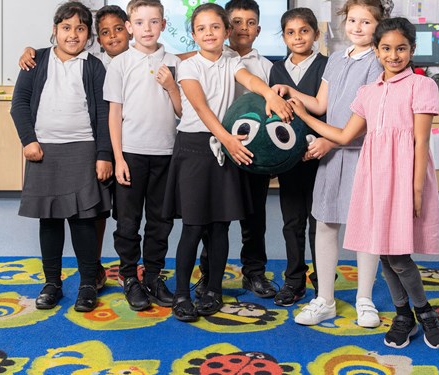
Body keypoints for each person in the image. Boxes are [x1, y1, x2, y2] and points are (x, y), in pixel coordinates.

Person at [289, 17, 439, 350]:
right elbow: (345, 135)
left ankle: (424, 312)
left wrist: (416, 189)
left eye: (401, 48)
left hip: (404, 178)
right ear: (376, 51)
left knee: (399, 256)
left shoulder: (422, 86)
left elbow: (420, 143)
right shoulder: (368, 92)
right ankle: (403, 314)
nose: (394, 55)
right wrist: (305, 117)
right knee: (384, 252)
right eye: (387, 49)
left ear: (412, 50)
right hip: (373, 178)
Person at [164, 2, 293, 322]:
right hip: (196, 149)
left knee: (220, 226)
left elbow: (251, 81)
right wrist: (227, 139)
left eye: (215, 27)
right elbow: (201, 107)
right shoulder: (190, 66)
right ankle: (182, 293)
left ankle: (213, 289)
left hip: (224, 148)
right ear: (193, 34)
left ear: (226, 32)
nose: (209, 33)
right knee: (194, 227)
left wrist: (271, 95)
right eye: (201, 28)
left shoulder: (232, 60)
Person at [273, 0, 386, 327]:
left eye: (366, 22)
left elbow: (363, 118)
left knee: (364, 228)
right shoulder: (336, 59)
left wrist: (329, 139)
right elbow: (322, 103)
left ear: (378, 26)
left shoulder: (376, 63)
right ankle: (325, 299)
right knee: (324, 224)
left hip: (358, 152)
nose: (358, 27)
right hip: (331, 152)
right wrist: (288, 90)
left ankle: (364, 299)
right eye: (353, 20)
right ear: (344, 22)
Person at [18, 5, 132, 290]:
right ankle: (52, 283)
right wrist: (28, 140)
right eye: (66, 28)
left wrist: (103, 154)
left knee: (84, 220)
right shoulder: (36, 61)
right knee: (50, 219)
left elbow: (104, 113)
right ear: (55, 30)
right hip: (44, 152)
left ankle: (87, 284)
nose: (73, 35)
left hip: (83, 151)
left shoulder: (93, 66)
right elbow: (19, 103)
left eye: (80, 29)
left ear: (88, 35)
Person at [195, 0, 278, 300]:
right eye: (237, 21)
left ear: (258, 28)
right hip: (220, 150)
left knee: (254, 218)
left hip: (256, 156)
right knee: (214, 218)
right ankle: (208, 275)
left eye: (251, 22)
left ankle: (253, 273)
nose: (244, 28)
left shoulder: (268, 67)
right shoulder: (211, 57)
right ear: (227, 27)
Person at [103, 0, 182, 311]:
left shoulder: (175, 61)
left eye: (153, 22)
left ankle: (152, 276)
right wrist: (118, 158)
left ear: (163, 25)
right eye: (139, 22)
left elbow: (181, 110)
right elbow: (114, 114)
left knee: (160, 221)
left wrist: (172, 86)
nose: (146, 29)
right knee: (128, 221)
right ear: (130, 26)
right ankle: (128, 277)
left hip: (166, 153)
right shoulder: (120, 63)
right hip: (132, 155)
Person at [269, 7, 328, 306]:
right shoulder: (275, 70)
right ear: (283, 37)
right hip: (290, 160)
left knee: (319, 222)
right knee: (292, 222)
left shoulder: (327, 67)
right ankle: (294, 280)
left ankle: (323, 282)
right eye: (290, 32)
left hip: (319, 157)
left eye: (304, 31)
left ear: (316, 34)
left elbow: (330, 108)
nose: (297, 37)